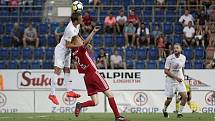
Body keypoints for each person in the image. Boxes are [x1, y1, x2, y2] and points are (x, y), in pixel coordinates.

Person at [71, 27, 128, 121]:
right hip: (93, 74)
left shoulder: (75, 54)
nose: (81, 39)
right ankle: (117, 117)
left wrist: (87, 48)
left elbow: (85, 55)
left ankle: (80, 105)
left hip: (87, 77)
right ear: (75, 43)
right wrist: (93, 31)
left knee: (95, 102)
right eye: (79, 39)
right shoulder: (80, 49)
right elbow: (85, 43)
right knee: (110, 94)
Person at [48, 13, 83, 105]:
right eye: (80, 18)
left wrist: (83, 41)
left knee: (67, 70)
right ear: (75, 20)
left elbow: (77, 35)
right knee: (57, 71)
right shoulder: (69, 29)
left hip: (68, 51)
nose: (82, 19)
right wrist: (79, 45)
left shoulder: (77, 25)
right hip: (61, 50)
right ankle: (52, 94)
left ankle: (69, 91)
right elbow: (68, 45)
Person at [163, 43, 187, 118]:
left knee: (185, 97)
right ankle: (164, 109)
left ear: (181, 49)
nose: (175, 49)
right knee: (169, 99)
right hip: (170, 80)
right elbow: (166, 71)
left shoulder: (183, 57)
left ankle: (179, 113)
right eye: (174, 48)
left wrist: (183, 77)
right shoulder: (169, 58)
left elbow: (182, 68)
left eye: (177, 48)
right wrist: (176, 78)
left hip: (179, 80)